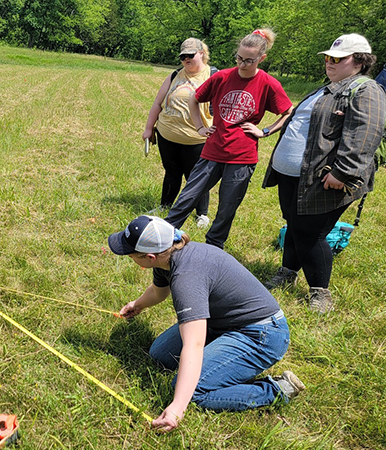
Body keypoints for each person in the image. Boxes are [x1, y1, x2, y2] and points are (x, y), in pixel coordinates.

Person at [109, 215, 304, 433]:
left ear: (150, 257)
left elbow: (193, 344)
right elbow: (158, 291)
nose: (129, 257)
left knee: (192, 392)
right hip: (221, 323)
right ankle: (221, 357)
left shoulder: (186, 277)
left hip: (262, 334)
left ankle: (276, 390)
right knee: (160, 354)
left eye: (131, 254)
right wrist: (138, 304)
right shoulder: (170, 253)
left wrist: (177, 407)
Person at [261, 33, 386, 313]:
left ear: (359, 62)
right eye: (328, 57)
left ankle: (320, 292)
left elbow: (365, 135)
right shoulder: (328, 88)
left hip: (327, 178)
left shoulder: (367, 90)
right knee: (294, 225)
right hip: (294, 175)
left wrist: (342, 173)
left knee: (311, 233)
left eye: (338, 59)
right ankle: (287, 273)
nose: (329, 63)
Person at [165, 29, 294, 249]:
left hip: (242, 157)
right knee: (188, 198)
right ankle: (163, 238)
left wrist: (264, 131)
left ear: (261, 59)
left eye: (249, 61)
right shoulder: (221, 77)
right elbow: (195, 100)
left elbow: (288, 111)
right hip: (212, 151)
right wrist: (199, 127)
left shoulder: (268, 83)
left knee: (226, 208)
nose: (242, 64)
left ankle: (213, 248)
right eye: (239, 58)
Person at [143, 38, 213, 228]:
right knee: (171, 172)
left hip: (197, 140)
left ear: (202, 53)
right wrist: (149, 128)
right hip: (167, 136)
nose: (186, 59)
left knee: (196, 177)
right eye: (183, 57)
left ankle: (202, 214)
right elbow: (157, 103)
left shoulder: (213, 75)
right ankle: (165, 205)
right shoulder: (175, 75)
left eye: (190, 55)